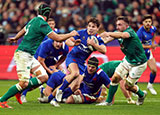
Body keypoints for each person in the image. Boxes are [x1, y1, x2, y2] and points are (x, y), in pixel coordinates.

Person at [0, 3, 78, 108]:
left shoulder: (33, 20)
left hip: (29, 56)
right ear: (48, 14)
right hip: (23, 54)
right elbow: (57, 38)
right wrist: (70, 34)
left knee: (43, 77)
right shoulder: (42, 24)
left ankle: (19, 91)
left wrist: (16, 38)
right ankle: (2, 100)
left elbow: (23, 29)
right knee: (23, 83)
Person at [96, 16, 148, 106]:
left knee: (128, 86)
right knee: (115, 78)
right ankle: (108, 102)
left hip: (139, 63)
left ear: (126, 25)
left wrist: (107, 33)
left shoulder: (130, 32)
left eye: (120, 25)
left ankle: (141, 95)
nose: (117, 27)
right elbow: (106, 40)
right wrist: (96, 40)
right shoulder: (118, 33)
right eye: (117, 25)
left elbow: (123, 35)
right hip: (127, 60)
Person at [55, 17, 107, 102]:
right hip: (73, 57)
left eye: (93, 26)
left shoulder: (97, 39)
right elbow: (67, 40)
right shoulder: (81, 33)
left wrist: (94, 44)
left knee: (77, 85)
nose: (90, 28)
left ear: (97, 28)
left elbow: (104, 50)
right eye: (89, 26)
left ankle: (58, 97)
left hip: (82, 62)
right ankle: (60, 90)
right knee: (75, 73)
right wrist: (73, 44)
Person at [38, 57, 110, 107]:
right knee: (70, 84)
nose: (90, 69)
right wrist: (77, 88)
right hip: (82, 90)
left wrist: (110, 100)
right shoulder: (84, 69)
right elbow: (77, 81)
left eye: (93, 67)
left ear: (96, 67)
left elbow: (110, 86)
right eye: (89, 66)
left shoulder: (101, 74)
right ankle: (50, 97)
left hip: (90, 95)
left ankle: (50, 97)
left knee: (69, 100)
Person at [21, 38, 69, 102]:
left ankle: (44, 91)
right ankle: (23, 94)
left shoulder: (65, 47)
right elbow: (40, 60)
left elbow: (64, 57)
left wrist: (55, 65)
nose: (58, 44)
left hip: (50, 60)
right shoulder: (46, 44)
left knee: (53, 79)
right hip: (36, 60)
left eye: (60, 42)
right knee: (38, 78)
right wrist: (49, 71)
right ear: (53, 41)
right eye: (56, 41)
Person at [137, 14, 158, 95]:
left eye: (149, 21)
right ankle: (134, 89)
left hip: (148, 53)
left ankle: (150, 85)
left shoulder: (153, 28)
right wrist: (150, 46)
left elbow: (153, 35)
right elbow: (139, 45)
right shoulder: (140, 32)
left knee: (154, 70)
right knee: (137, 73)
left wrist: (152, 42)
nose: (148, 23)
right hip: (140, 54)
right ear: (143, 22)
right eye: (146, 22)